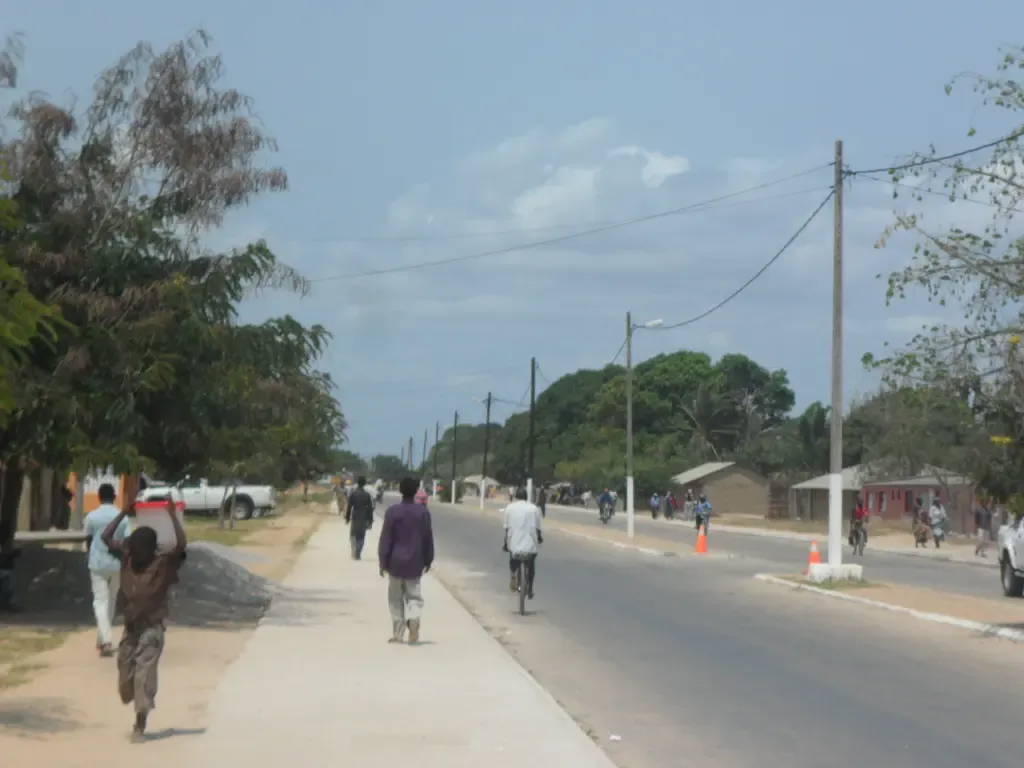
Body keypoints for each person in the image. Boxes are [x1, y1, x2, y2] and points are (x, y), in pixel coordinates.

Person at [101, 497, 187, 743]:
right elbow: (105, 538)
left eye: (140, 550)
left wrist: (171, 515)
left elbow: (181, 544)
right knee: (125, 680)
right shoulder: (127, 559)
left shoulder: (164, 565)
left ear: (151, 550)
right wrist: (123, 513)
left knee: (143, 676)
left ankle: (140, 723)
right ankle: (138, 702)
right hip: (130, 629)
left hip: (152, 629)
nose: (135, 554)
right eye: (133, 548)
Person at [378, 477, 435, 644]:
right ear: (416, 490)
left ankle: (397, 633)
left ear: (400, 491)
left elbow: (386, 539)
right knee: (414, 597)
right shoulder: (423, 512)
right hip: (415, 562)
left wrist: (382, 560)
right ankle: (414, 620)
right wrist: (429, 559)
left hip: (395, 562)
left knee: (395, 598)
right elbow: (428, 538)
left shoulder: (393, 511)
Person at [84, 483, 132, 657]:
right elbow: (127, 541)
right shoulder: (123, 518)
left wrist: (89, 555)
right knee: (111, 601)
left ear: (98, 497)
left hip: (97, 563)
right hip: (117, 564)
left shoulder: (92, 516)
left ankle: (105, 641)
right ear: (114, 497)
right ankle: (102, 638)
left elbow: (88, 540)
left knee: (100, 601)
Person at [502, 487, 543, 599]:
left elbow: (506, 528)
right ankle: (530, 588)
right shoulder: (534, 508)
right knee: (531, 564)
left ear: (515, 497)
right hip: (530, 544)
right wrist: (539, 538)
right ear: (526, 497)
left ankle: (513, 574)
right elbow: (538, 528)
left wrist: (505, 542)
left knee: (512, 555)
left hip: (514, 543)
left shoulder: (509, 508)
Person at [346, 476, 375, 560]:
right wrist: (370, 521)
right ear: (364, 483)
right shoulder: (367, 495)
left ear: (357, 483)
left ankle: (354, 550)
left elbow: (349, 507)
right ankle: (358, 552)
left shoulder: (353, 494)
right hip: (364, 516)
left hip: (355, 515)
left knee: (353, 535)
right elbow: (370, 509)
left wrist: (347, 518)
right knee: (361, 535)